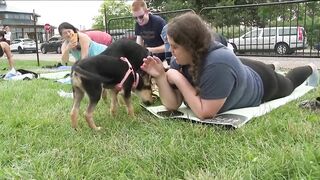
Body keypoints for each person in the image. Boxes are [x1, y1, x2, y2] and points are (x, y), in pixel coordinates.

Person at [141, 12, 318, 120]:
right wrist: (161, 77)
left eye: (175, 46)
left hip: (262, 82)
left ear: (190, 45)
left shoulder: (217, 63)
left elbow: (205, 112)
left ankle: (310, 67)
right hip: (238, 70)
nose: (171, 52)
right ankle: (271, 64)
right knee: (239, 68)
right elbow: (173, 105)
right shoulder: (180, 60)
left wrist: (178, 79)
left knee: (289, 83)